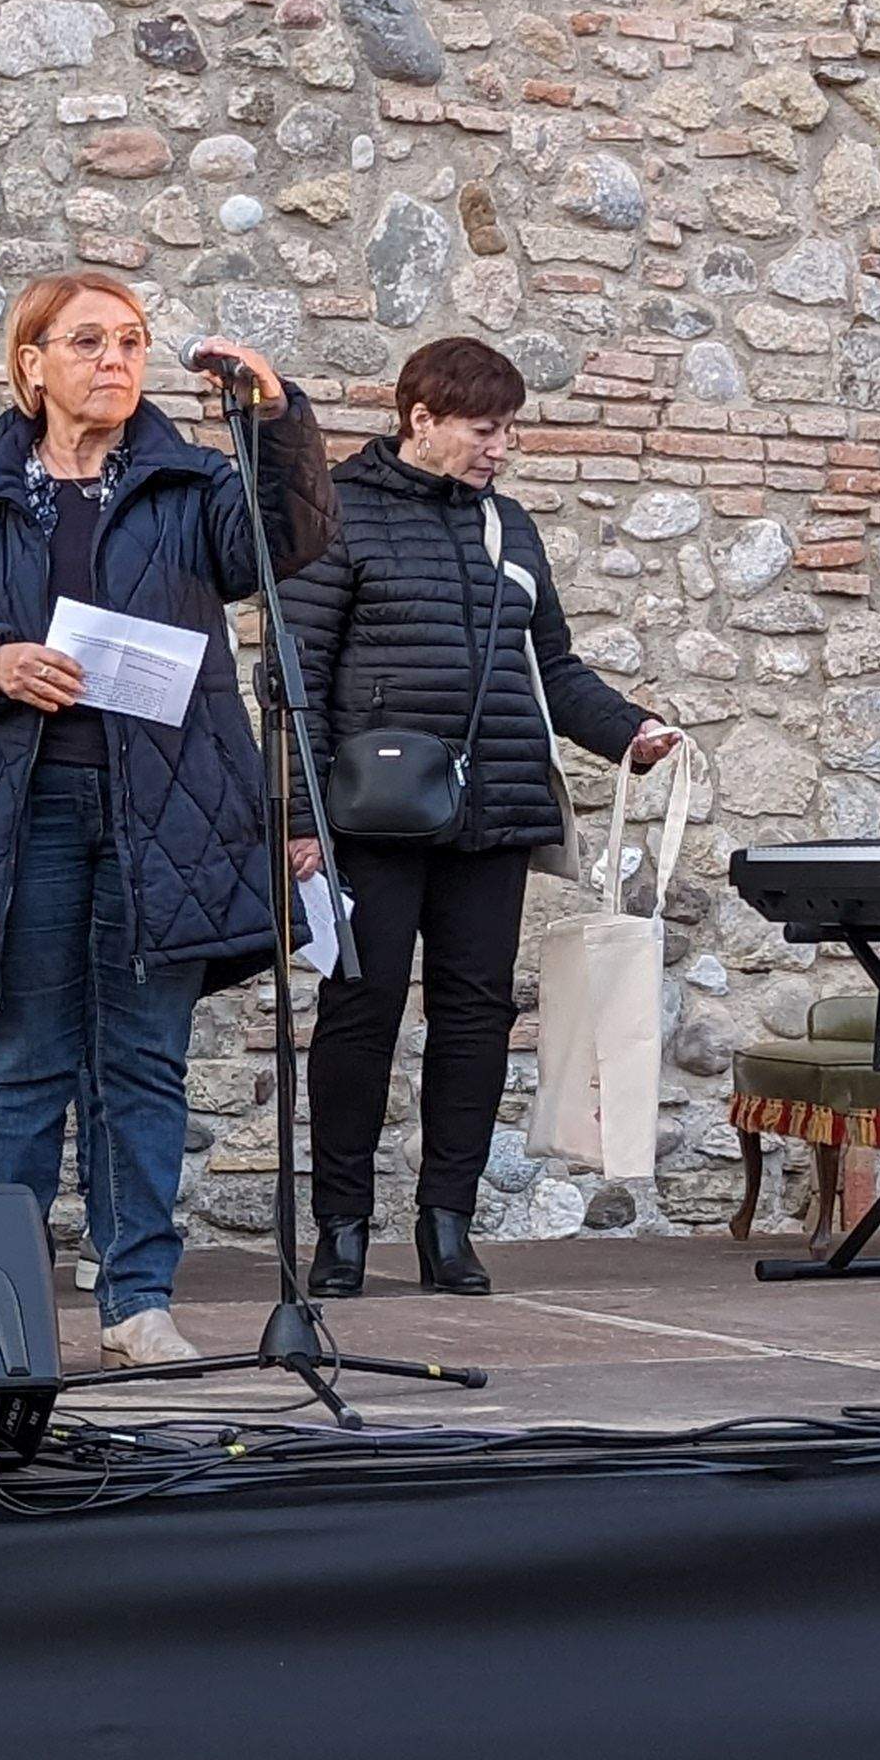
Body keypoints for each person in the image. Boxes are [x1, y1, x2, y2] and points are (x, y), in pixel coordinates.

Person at [0, 272, 332, 1366]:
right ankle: (4, 1304)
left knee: (141, 1061)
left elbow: (289, 537)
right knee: (20, 1061)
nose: (114, 360)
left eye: (130, 341)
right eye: (86, 341)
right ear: (30, 365)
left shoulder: (192, 485)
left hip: (161, 812)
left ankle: (137, 1301)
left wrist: (278, 417)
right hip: (15, 816)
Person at [279, 337, 679, 1299]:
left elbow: (554, 670)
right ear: (421, 418)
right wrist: (298, 817)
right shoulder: (334, 514)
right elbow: (295, 674)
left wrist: (630, 731)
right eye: (483, 429)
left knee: (475, 1020)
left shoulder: (511, 530)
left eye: (508, 430)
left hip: (492, 809)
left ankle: (445, 1229)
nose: (500, 447)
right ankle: (342, 1231)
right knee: (359, 1017)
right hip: (368, 817)